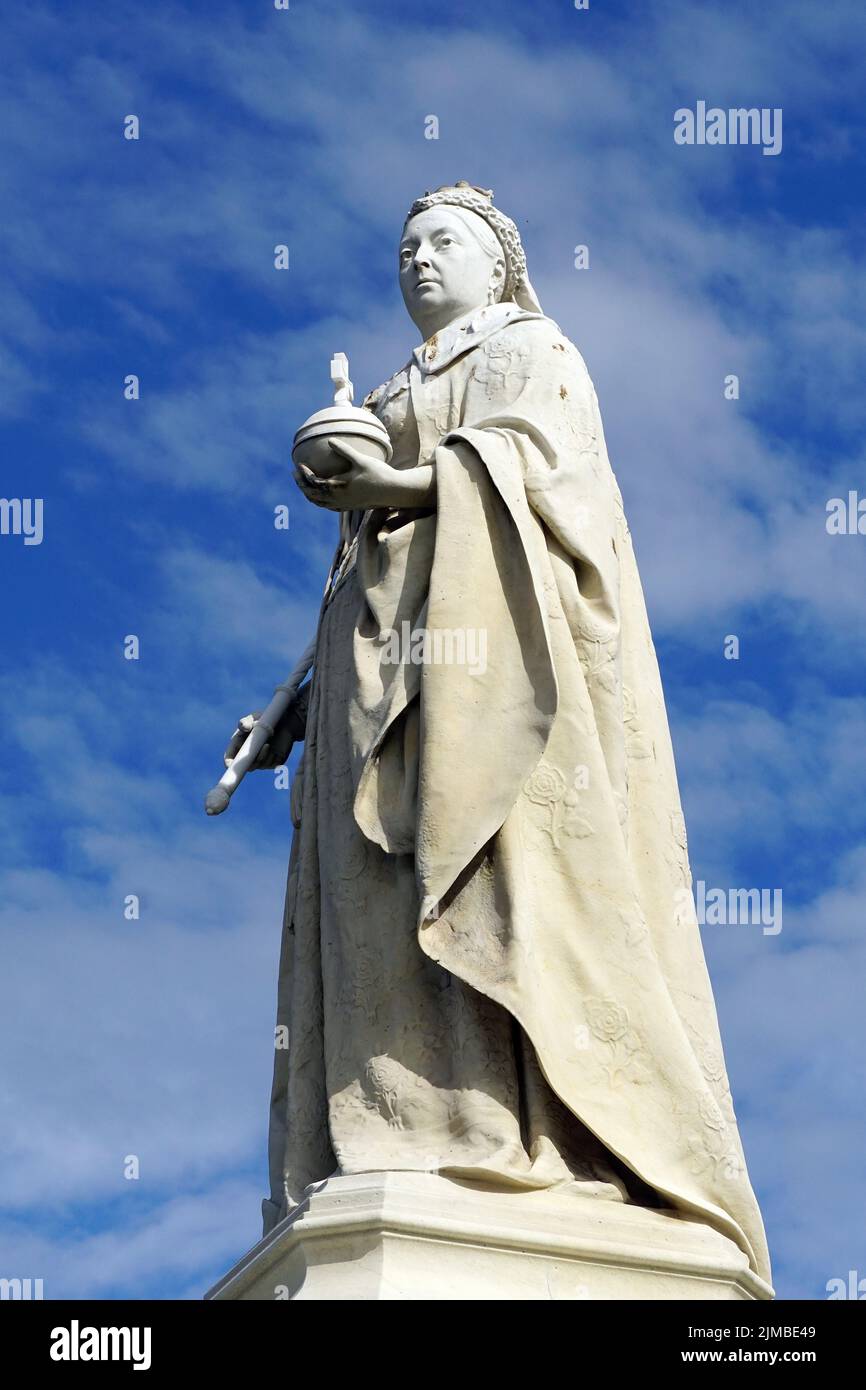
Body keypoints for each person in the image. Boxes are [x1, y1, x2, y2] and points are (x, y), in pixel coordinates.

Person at [224, 182, 771, 1285]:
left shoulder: (534, 352)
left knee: (502, 885)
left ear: (497, 263)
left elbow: (545, 482)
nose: (418, 260)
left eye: (444, 242)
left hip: (493, 681)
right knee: (374, 914)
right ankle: (403, 1127)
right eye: (405, 246)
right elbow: (354, 579)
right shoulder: (382, 393)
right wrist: (295, 698)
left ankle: (535, 1136)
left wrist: (413, 478)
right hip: (369, 695)